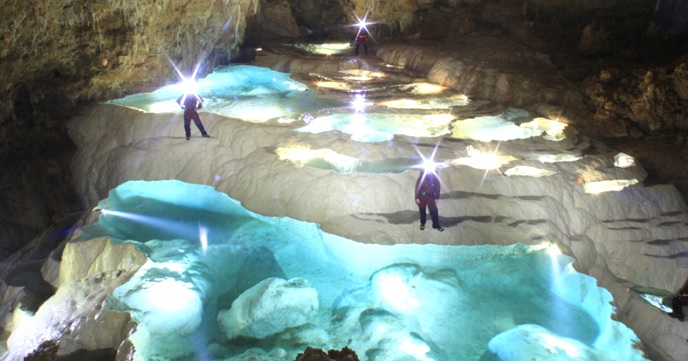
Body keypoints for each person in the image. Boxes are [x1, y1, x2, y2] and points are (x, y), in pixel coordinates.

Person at [415, 167, 443, 231]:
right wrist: (417, 197)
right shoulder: (421, 177)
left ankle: (435, 224)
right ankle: (422, 223)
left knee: (434, 211)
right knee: (422, 210)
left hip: (431, 197)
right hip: (422, 196)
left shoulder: (435, 178)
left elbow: (437, 188)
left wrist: (436, 197)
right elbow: (418, 188)